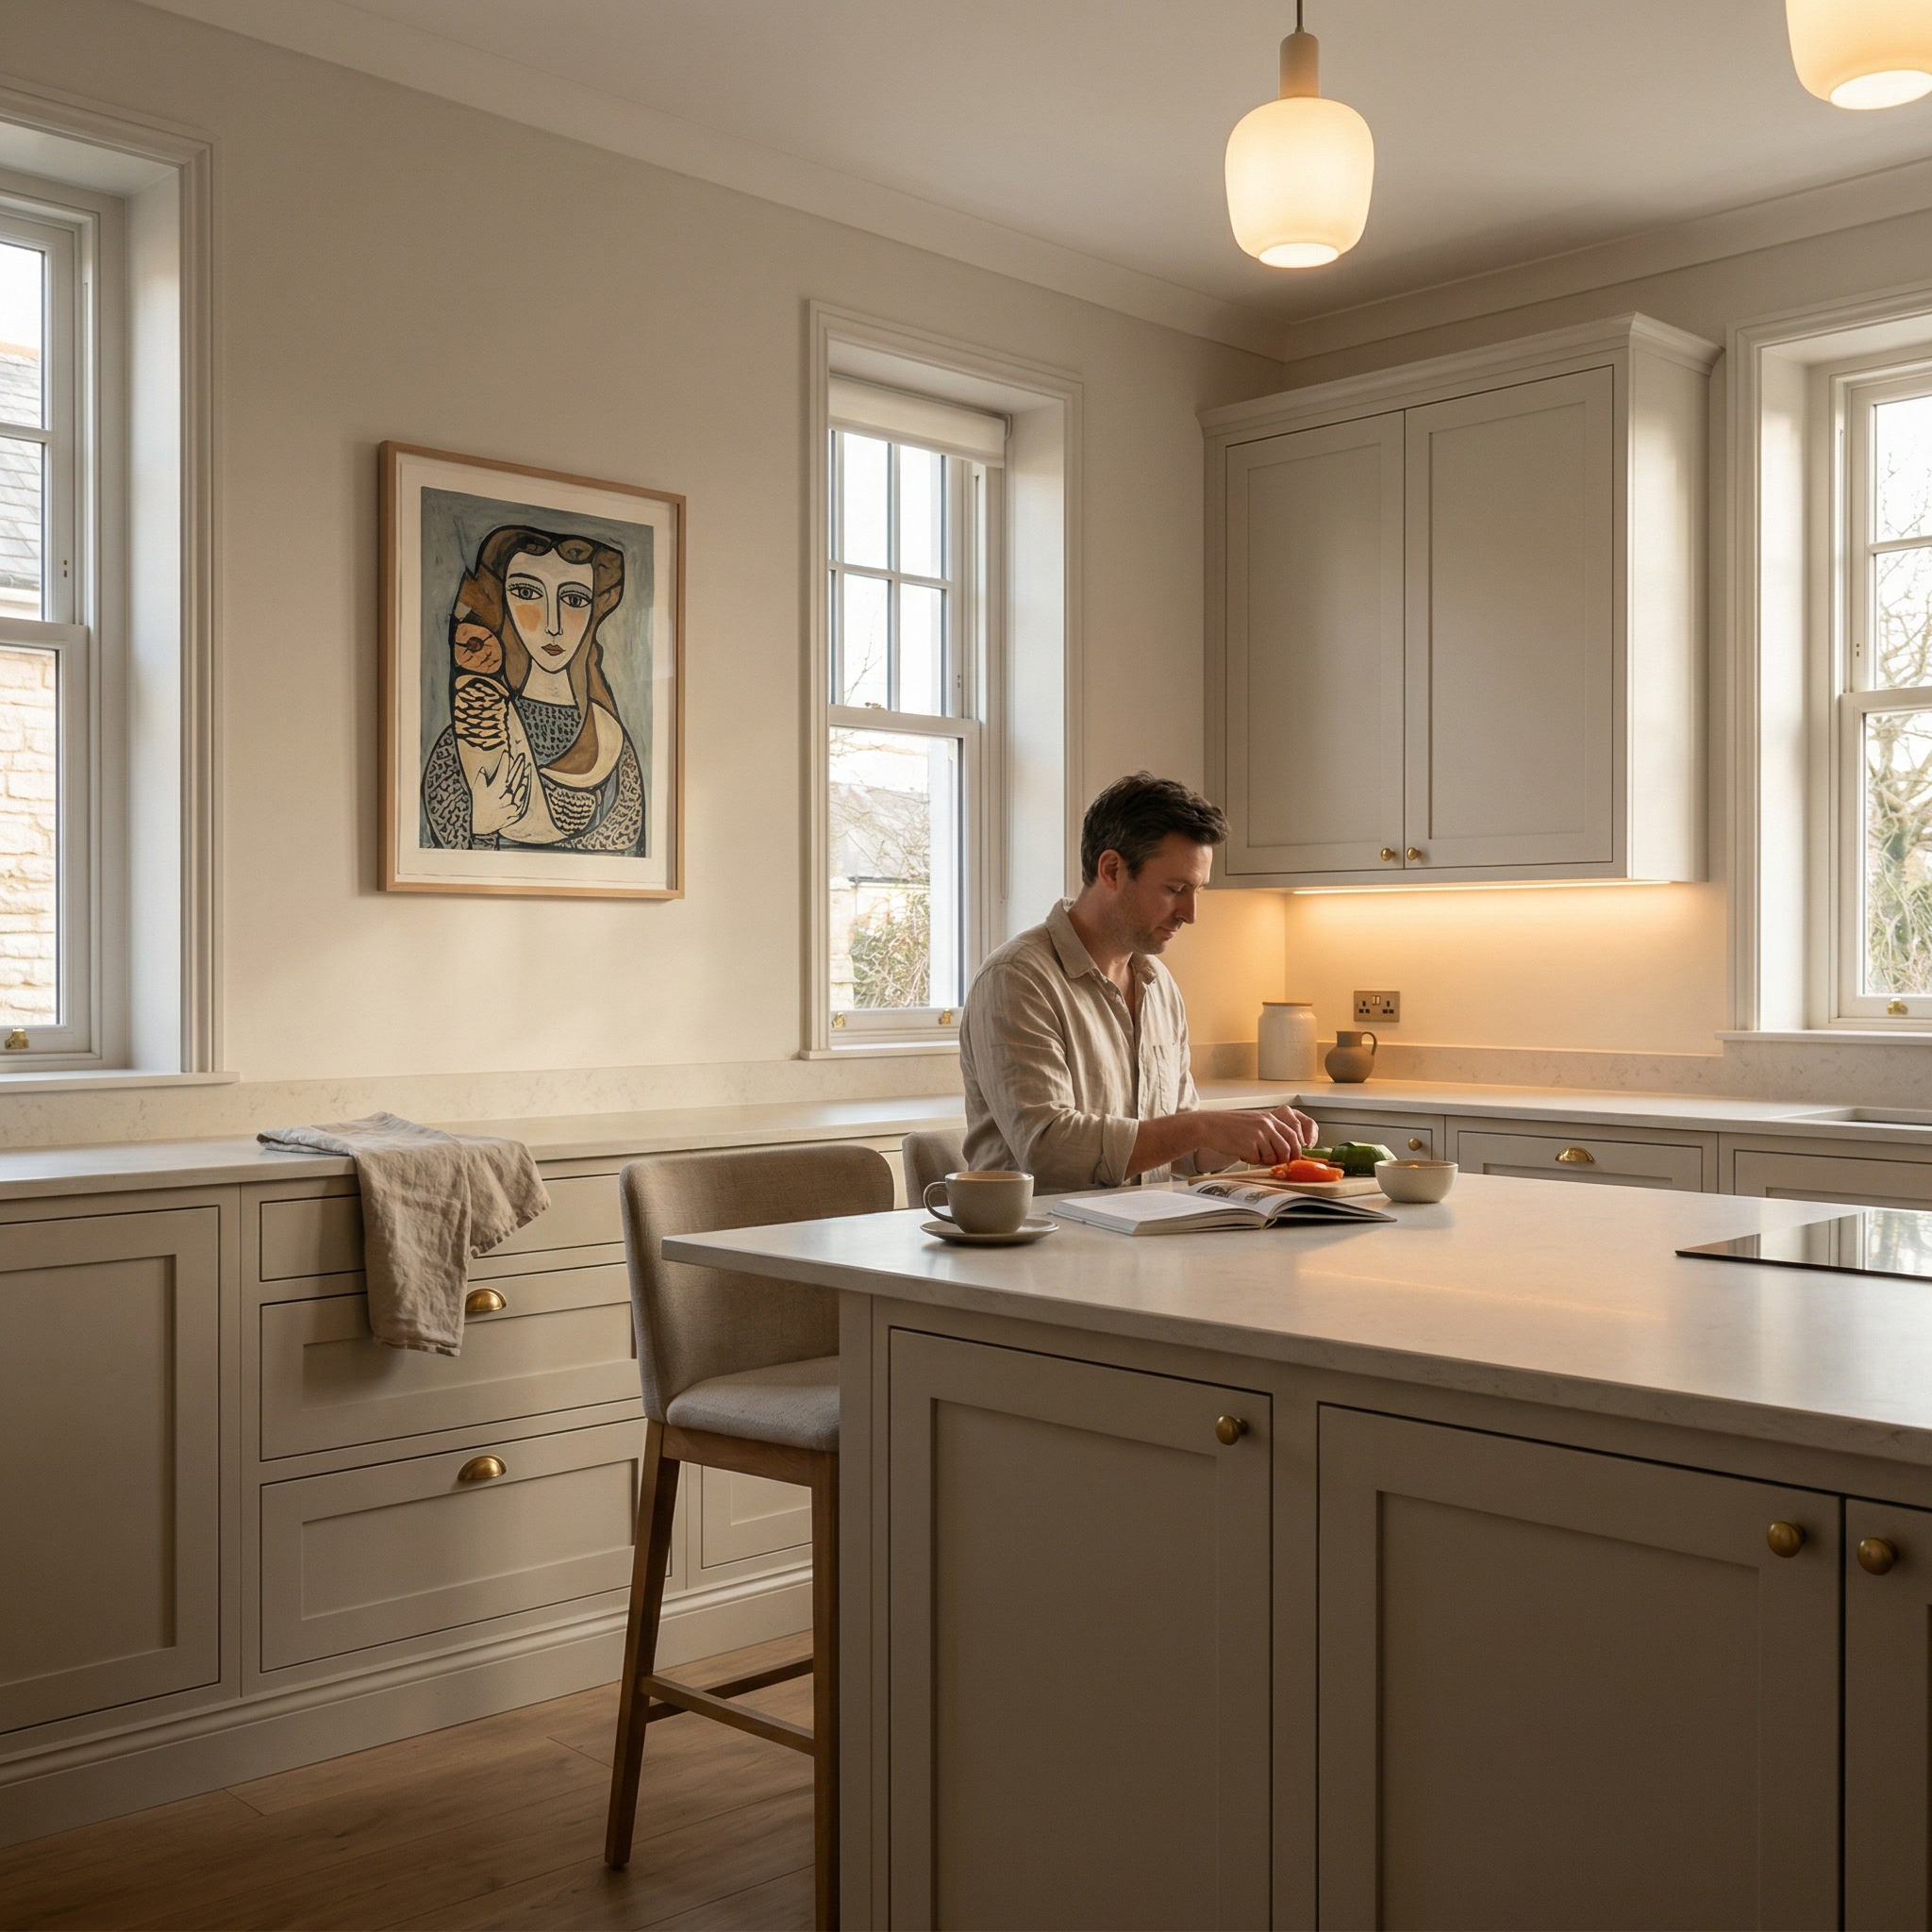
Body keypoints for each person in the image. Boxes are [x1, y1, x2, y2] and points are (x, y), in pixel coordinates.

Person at [958, 772, 1318, 1191]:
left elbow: (1179, 1150)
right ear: (1112, 869)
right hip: (1041, 1247)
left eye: (1197, 889)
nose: (1190, 913)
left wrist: (1245, 1135)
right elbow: (1047, 1149)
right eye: (1176, 888)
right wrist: (1200, 1126)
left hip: (1139, 1238)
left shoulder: (1157, 984)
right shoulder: (1017, 979)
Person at [421, 524, 645, 854]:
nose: (552, 624)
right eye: (527, 593)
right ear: (501, 600)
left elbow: (627, 859)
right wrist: (482, 827)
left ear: (594, 609)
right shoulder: (470, 733)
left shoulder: (610, 741)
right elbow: (446, 867)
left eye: (573, 598)